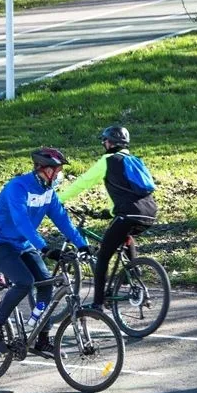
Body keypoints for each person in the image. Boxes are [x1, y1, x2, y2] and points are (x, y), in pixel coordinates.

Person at [0, 148, 91, 357]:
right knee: (24, 282)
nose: (59, 175)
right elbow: (21, 222)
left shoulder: (48, 192)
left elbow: (62, 219)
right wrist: (44, 248)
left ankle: (42, 338)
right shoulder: (17, 187)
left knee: (46, 283)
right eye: (57, 170)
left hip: (22, 243)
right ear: (44, 169)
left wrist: (82, 245)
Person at [57, 126, 157, 311]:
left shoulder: (108, 160)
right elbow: (129, 192)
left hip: (127, 214)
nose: (104, 144)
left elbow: (83, 182)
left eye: (105, 141)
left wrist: (59, 199)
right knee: (125, 237)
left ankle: (98, 303)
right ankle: (135, 276)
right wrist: (108, 212)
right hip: (148, 212)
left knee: (103, 256)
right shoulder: (135, 161)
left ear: (109, 143)